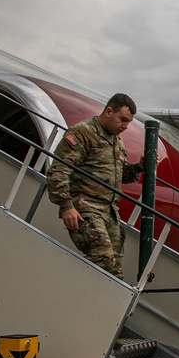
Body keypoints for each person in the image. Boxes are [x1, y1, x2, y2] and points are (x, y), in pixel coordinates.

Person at [45, 93, 142, 279]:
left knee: (115, 270)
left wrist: (139, 167)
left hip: (109, 212)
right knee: (103, 261)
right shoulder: (83, 133)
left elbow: (120, 175)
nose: (125, 126)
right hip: (86, 208)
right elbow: (59, 169)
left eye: (128, 123)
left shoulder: (117, 142)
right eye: (122, 120)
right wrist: (66, 206)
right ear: (108, 111)